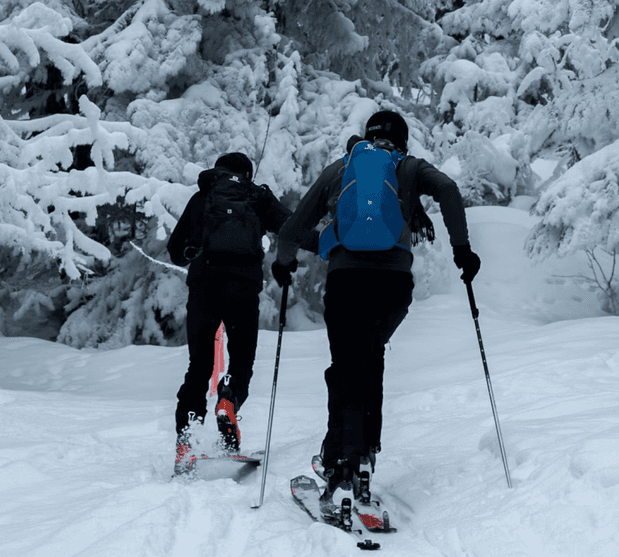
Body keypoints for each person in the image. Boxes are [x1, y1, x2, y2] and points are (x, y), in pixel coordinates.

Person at [271, 110, 481, 510]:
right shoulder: (409, 167)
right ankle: (364, 453)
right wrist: (462, 250)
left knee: (347, 366)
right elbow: (449, 190)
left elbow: (295, 226)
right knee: (369, 357)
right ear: (402, 141)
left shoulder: (343, 168)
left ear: (366, 137)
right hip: (393, 287)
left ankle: (343, 466)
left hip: (347, 281)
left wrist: (284, 262)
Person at [167, 152, 291, 476]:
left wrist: (192, 251)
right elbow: (292, 227)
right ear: (247, 173)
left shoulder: (203, 197)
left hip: (205, 286)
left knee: (199, 367)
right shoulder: (256, 197)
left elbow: (175, 248)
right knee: (241, 363)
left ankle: (187, 442)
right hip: (243, 289)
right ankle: (228, 401)